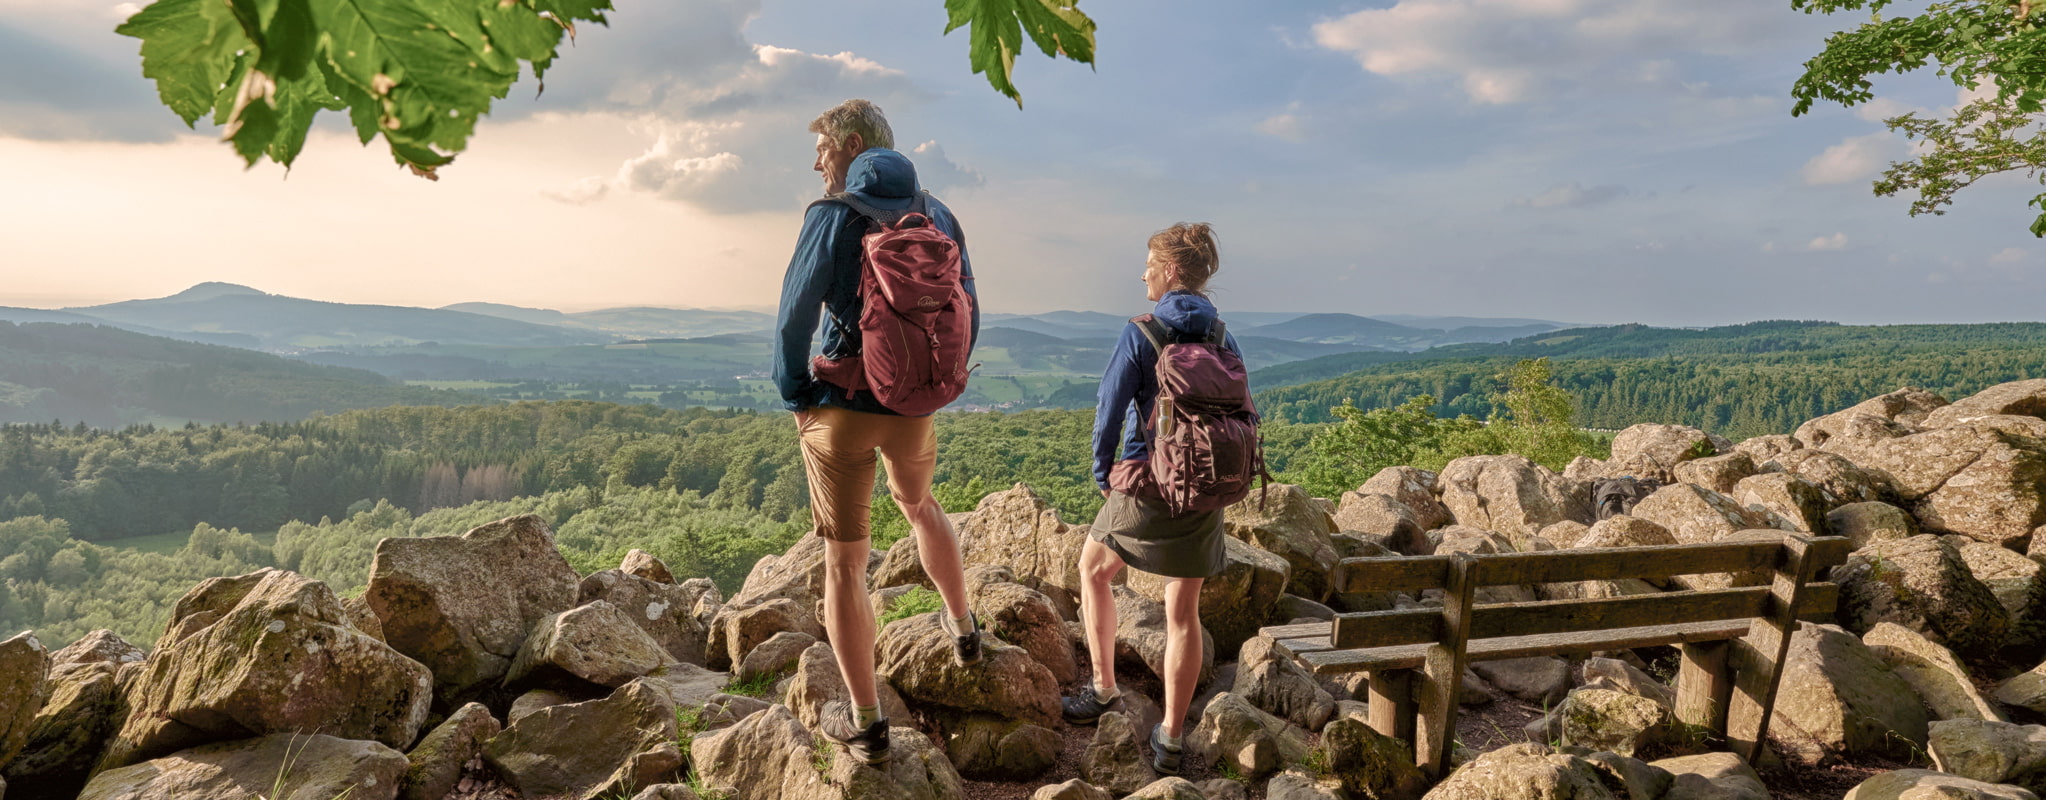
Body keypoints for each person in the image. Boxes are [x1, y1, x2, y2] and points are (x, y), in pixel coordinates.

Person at [771, 99, 983, 767]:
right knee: (920, 506)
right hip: (914, 410)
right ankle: (964, 627)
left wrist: (797, 395)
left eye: (823, 150)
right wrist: (930, 385)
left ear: (852, 144)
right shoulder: (939, 214)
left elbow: (792, 319)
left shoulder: (831, 217)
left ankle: (866, 724)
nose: (816, 162)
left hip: (842, 408)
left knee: (845, 564)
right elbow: (972, 309)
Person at [1062, 222, 1239, 775]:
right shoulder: (1222, 335)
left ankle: (1104, 688)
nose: (1142, 273)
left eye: (1148, 264)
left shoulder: (1141, 332)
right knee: (1182, 611)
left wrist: (1102, 474)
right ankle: (1171, 737)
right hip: (1205, 486)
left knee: (1093, 570)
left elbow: (1108, 411)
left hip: (1147, 480)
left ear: (1169, 271)